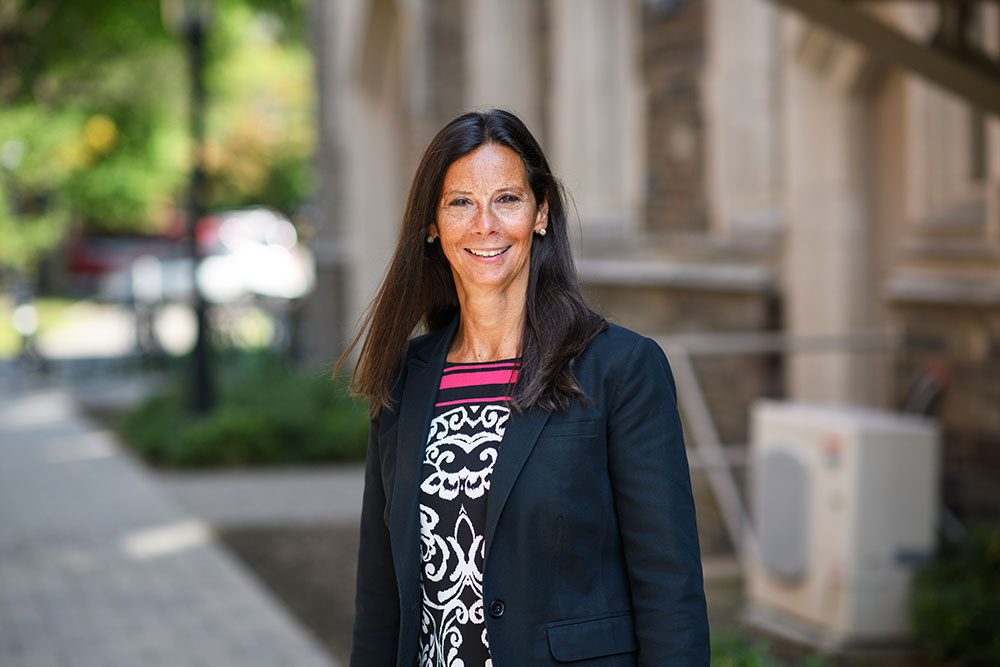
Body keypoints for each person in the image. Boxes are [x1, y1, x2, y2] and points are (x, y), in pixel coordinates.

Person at [340, 109, 709, 666]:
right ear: (432, 225)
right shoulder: (404, 377)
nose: (484, 224)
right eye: (460, 201)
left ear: (541, 213)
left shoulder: (620, 368)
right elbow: (380, 597)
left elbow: (669, 585)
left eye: (507, 199)